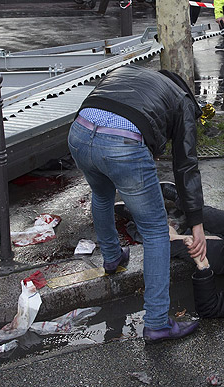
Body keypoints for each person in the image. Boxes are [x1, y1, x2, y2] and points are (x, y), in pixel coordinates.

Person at [67, 66, 206, 342]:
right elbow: (186, 165)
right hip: (122, 145)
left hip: (79, 133)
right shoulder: (181, 99)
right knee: (155, 230)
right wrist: (197, 224)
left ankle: (112, 257)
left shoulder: (128, 73)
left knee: (102, 195)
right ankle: (157, 322)